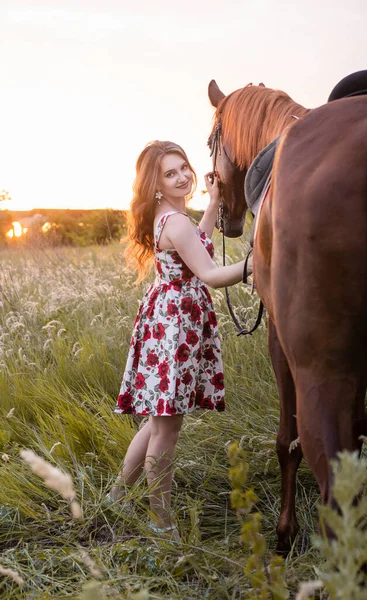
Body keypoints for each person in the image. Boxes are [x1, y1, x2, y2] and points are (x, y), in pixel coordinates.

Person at [109, 140, 252, 539]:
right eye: (170, 173)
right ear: (155, 184)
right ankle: (162, 523)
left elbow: (195, 246)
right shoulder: (175, 222)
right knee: (166, 429)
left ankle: (118, 498)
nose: (183, 177)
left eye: (184, 168)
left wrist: (212, 203)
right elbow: (210, 273)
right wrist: (259, 261)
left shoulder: (168, 217)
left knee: (157, 420)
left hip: (167, 318)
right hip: (176, 326)